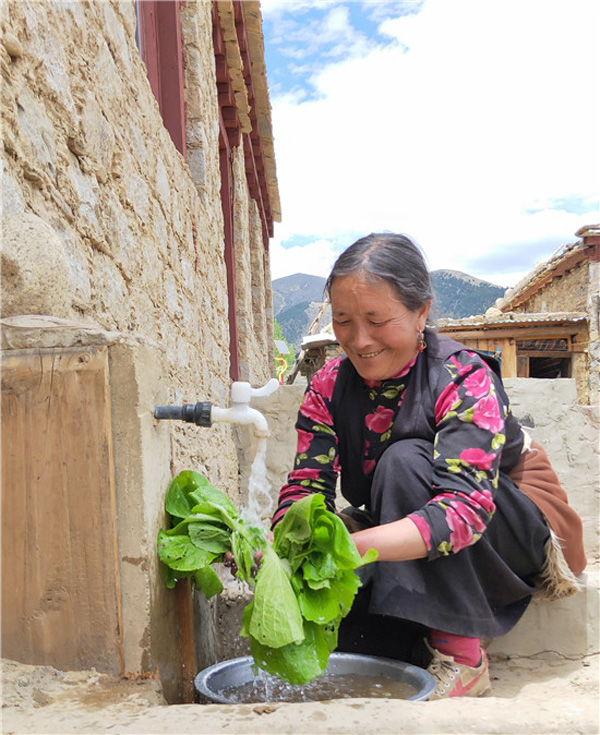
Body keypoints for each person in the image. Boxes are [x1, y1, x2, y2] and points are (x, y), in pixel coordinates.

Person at [272, 232, 586, 700]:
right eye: (343, 321)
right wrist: (283, 546)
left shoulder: (461, 376)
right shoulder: (328, 386)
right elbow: (306, 486)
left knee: (403, 459)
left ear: (421, 312)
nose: (359, 340)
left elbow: (463, 511)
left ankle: (461, 655)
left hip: (513, 524)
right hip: (405, 510)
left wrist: (352, 548)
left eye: (377, 320)